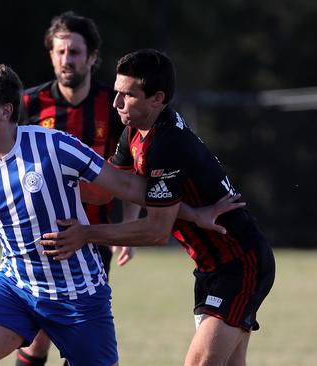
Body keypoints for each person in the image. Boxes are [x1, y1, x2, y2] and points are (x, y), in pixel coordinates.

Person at [0, 64, 240, 366]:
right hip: (16, 289)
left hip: (80, 296)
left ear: (5, 110)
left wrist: (191, 213)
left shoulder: (55, 146)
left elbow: (129, 187)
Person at [40, 49, 276, 366]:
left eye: (128, 95)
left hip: (240, 263)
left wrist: (87, 234)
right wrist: (52, 180)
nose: (115, 103)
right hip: (211, 267)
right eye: (116, 92)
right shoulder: (134, 132)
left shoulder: (167, 144)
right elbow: (110, 190)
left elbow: (156, 230)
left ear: (156, 98)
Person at [0, 12, 137, 365]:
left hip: (90, 238)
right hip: (38, 239)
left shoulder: (112, 106)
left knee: (74, 338)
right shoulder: (29, 105)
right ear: (51, 56)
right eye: (60, 52)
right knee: (35, 341)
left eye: (75, 52)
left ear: (92, 58)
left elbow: (128, 171)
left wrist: (125, 231)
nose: (67, 60)